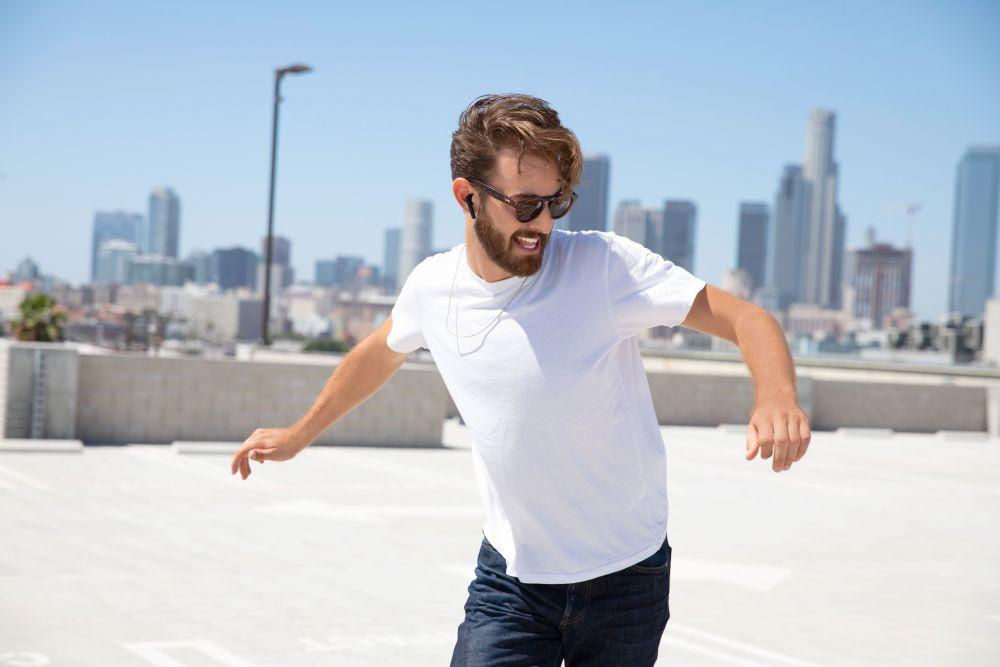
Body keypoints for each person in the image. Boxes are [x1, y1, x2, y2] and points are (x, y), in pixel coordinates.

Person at [229, 93, 812, 666]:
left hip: (627, 576)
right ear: (468, 196)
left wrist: (776, 396)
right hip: (512, 578)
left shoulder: (603, 267)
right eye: (526, 204)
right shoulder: (433, 287)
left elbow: (747, 318)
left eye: (556, 204)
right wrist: (299, 434)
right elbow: (379, 354)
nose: (543, 224)